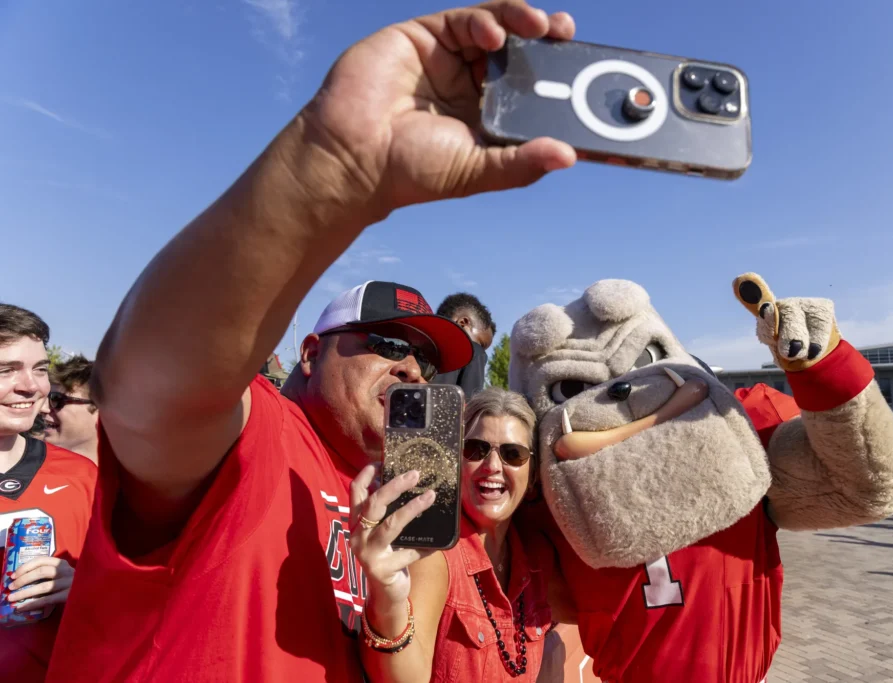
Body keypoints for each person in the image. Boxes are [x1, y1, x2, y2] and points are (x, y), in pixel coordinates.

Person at [47, 3, 578, 681]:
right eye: (387, 343)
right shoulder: (258, 432)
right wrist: (333, 168)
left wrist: (392, 608)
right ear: (310, 352)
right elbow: (148, 383)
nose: (413, 368)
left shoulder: (399, 497)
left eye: (428, 360)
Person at [352, 388, 567, 681]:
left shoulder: (537, 557)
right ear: (455, 463)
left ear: (532, 477)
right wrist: (387, 601)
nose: (492, 467)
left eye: (513, 454)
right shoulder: (435, 557)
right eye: (474, 449)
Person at [0, 304, 97, 682]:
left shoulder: (81, 477)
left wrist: (86, 584)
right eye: (7, 369)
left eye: (39, 368)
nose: (33, 386)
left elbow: (139, 599)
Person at [433, 293, 497, 399]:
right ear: (462, 323)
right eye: (480, 344)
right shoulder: (473, 351)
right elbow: (470, 407)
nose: (482, 352)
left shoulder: (412, 352)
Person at [41, 355, 100, 464]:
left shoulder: (133, 477)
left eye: (56, 399)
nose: (43, 408)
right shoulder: (27, 469)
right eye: (45, 397)